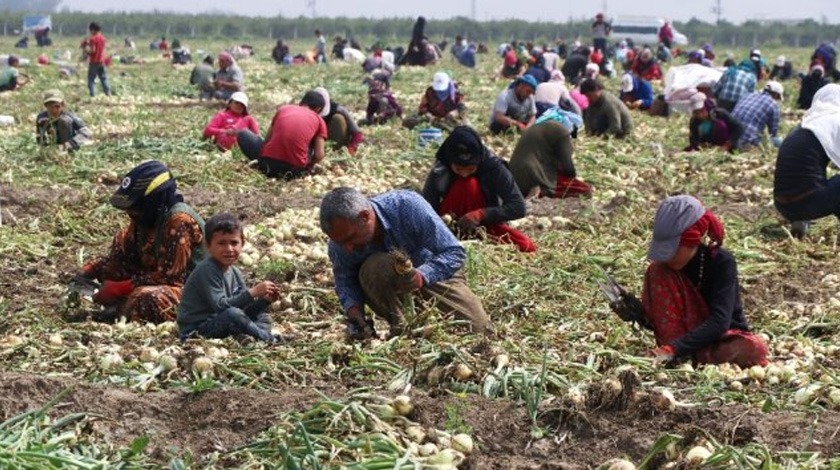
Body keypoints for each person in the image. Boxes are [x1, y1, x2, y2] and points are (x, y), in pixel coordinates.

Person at [609, 195, 769, 367]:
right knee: (656, 270)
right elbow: (664, 321)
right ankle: (682, 355)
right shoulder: (663, 270)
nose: (667, 257)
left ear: (692, 241)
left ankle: (685, 355)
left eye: (674, 250)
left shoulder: (721, 262)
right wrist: (636, 313)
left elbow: (720, 322)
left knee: (755, 347)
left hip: (716, 338)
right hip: (677, 345)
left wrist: (673, 349)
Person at [320, 187, 493, 338]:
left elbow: (454, 252)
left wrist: (422, 275)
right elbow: (345, 280)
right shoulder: (340, 242)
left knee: (480, 329)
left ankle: (422, 322)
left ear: (365, 216)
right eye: (340, 242)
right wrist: (354, 312)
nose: (347, 248)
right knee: (375, 265)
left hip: (434, 274)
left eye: (351, 238)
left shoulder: (406, 206)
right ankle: (402, 327)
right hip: (387, 287)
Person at [72, 161, 206, 323]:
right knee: (112, 264)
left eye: (135, 206)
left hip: (198, 293)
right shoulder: (144, 220)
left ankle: (118, 311)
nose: (130, 212)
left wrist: (120, 288)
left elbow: (170, 278)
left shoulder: (178, 222)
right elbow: (124, 258)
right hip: (157, 280)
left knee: (148, 299)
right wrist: (90, 270)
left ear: (153, 201)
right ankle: (122, 305)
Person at [422, 126, 534, 252]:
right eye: (458, 169)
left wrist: (480, 214)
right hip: (449, 226)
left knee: (526, 245)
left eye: (470, 169)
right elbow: (426, 206)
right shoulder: (441, 169)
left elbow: (518, 207)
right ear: (449, 161)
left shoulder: (493, 167)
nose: (464, 174)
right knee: (467, 184)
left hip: (484, 226)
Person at [177, 213, 282, 343]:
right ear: (208, 246)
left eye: (234, 243)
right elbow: (221, 306)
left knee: (263, 317)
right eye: (221, 243)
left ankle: (249, 336)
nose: (229, 249)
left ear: (242, 243)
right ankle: (267, 338)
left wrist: (264, 301)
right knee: (233, 314)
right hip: (197, 330)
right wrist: (253, 292)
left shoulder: (235, 272)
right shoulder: (207, 269)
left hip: (223, 321)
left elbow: (243, 309)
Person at [773, 84, 840, 239]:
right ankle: (804, 214)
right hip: (806, 203)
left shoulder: (804, 126)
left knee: (818, 180)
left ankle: (800, 221)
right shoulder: (835, 122)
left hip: (782, 205)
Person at [237, 91, 327, 179]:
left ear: (302, 101)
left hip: (267, 165)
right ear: (318, 109)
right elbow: (319, 155)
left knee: (243, 134)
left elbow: (267, 140)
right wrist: (309, 165)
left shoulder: (284, 109)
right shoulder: (319, 120)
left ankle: (261, 163)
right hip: (294, 171)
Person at [509, 118, 591, 199]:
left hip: (513, 178)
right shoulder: (562, 132)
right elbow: (568, 168)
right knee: (585, 189)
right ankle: (541, 191)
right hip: (532, 175)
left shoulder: (539, 128)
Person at [311, 87, 365, 155]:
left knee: (338, 119)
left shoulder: (339, 109)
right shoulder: (307, 110)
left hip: (334, 139)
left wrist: (351, 148)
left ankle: (335, 148)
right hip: (317, 142)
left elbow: (357, 134)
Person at [731, 81, 783, 150]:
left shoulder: (747, 95)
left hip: (729, 137)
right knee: (779, 142)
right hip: (746, 141)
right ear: (776, 95)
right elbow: (773, 133)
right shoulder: (773, 104)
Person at [85, 22, 111, 97]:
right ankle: (108, 93)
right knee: (103, 78)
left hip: (94, 61)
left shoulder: (93, 39)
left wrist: (87, 50)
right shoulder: (103, 38)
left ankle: (93, 95)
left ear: (93, 30)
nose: (90, 32)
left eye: (90, 30)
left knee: (91, 79)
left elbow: (93, 50)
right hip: (101, 61)